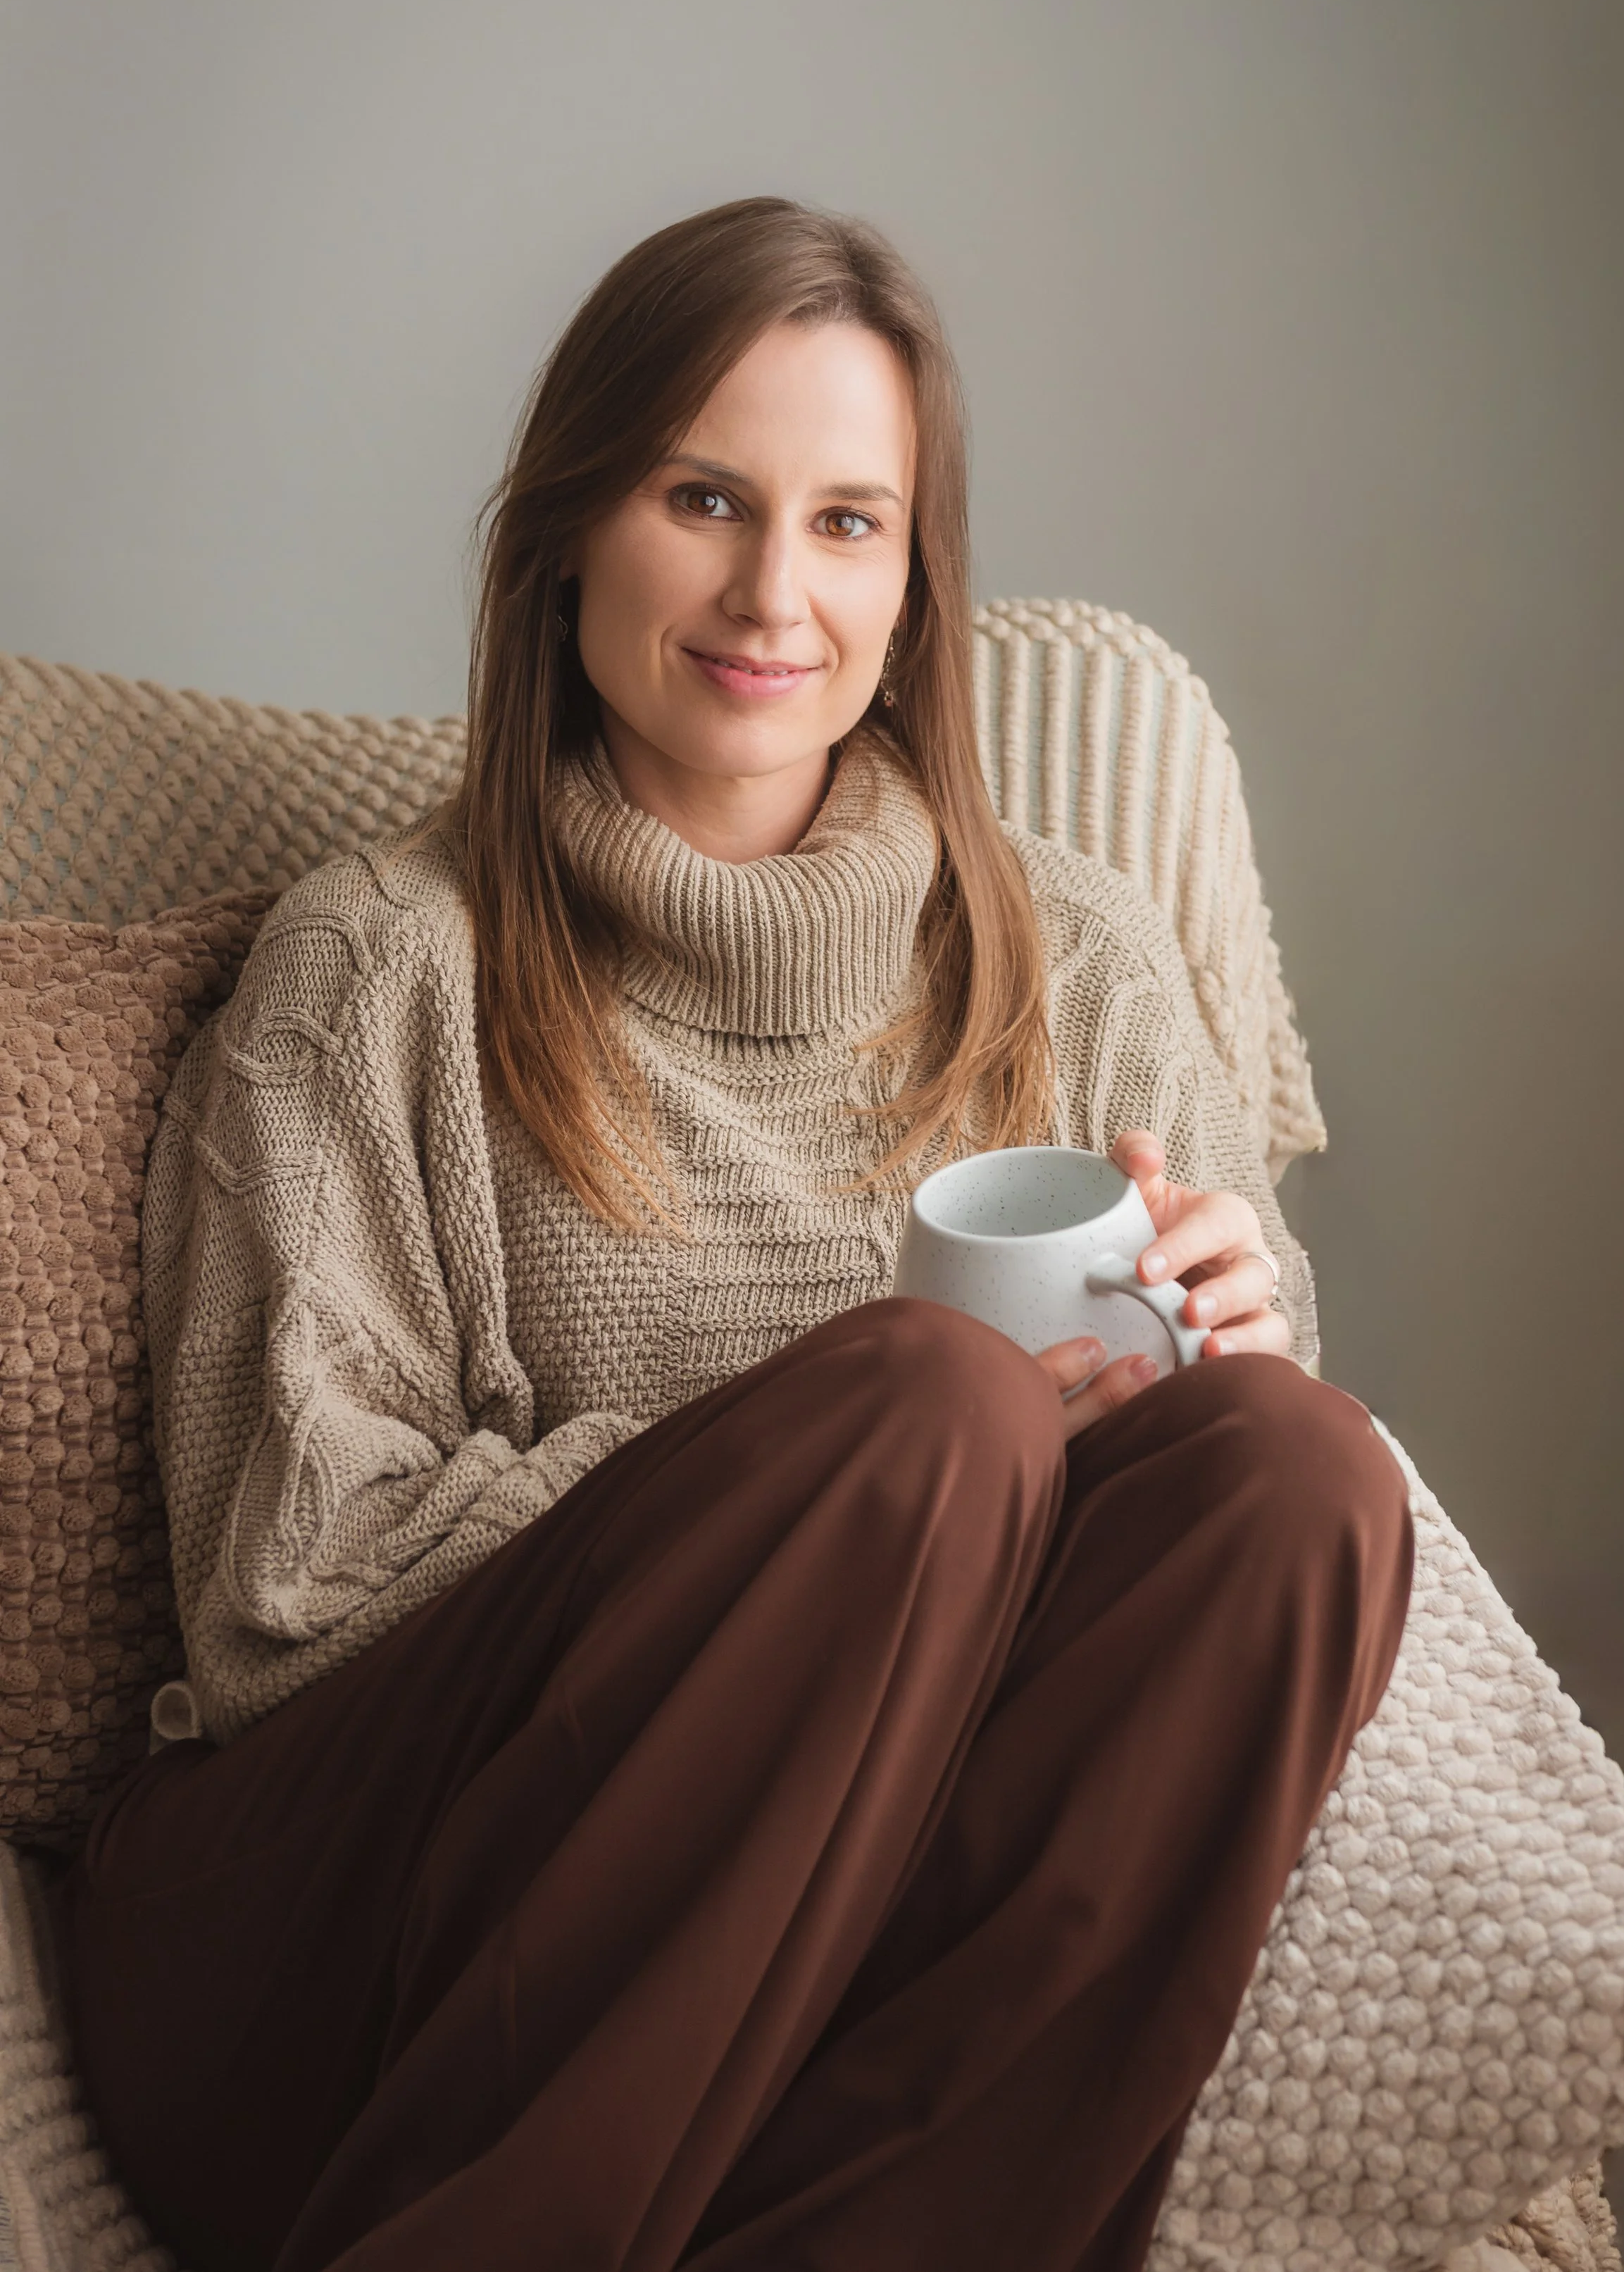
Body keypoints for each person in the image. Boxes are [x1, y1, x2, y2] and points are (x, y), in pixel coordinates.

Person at [59, 198, 1413, 2272]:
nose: (773, 591)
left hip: (833, 1972)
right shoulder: (378, 973)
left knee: (1301, 1472)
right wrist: (812, 1475)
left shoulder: (1083, 966)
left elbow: (1181, 1604)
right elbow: (275, 1601)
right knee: (927, 1408)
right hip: (333, 1960)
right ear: (576, 529)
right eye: (704, 498)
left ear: (914, 580)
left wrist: (1237, 1332)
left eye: (848, 522)